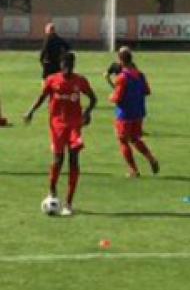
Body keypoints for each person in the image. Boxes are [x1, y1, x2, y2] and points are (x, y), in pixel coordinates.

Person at [24, 51, 97, 216]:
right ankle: (52, 191)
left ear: (73, 66)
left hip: (74, 125)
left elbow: (93, 98)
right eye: (65, 66)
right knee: (58, 160)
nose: (67, 70)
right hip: (57, 125)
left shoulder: (80, 81)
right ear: (61, 65)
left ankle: (69, 203)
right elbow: (42, 97)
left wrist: (87, 113)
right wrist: (31, 111)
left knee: (73, 160)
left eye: (70, 67)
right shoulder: (52, 80)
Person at [109, 47, 160, 177]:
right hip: (138, 112)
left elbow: (117, 98)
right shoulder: (140, 74)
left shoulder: (122, 77)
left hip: (125, 113)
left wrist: (111, 96)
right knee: (135, 138)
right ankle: (151, 158)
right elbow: (147, 91)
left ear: (120, 60)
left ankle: (133, 170)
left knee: (123, 140)